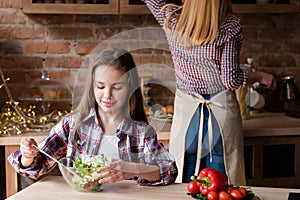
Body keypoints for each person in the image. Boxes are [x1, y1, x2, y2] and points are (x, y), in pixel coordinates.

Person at [142, 0, 276, 185]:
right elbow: (231, 80)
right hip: (220, 113)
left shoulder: (172, 18)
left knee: (184, 177)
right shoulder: (230, 26)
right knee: (223, 182)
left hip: (187, 116)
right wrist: (258, 76)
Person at [8, 48, 178, 186]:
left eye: (117, 87)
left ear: (130, 88)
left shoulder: (141, 132)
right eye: (101, 86)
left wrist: (129, 169)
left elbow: (168, 170)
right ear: (92, 87)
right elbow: (38, 165)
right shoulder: (73, 125)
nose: (107, 95)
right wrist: (28, 155)